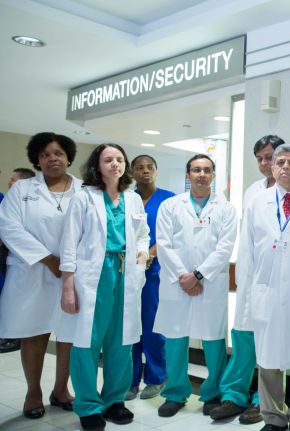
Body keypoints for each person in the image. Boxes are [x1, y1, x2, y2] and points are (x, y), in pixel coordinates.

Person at [59, 143, 149, 431]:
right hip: (94, 276)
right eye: (108, 159)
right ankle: (87, 405)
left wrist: (144, 253)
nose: (115, 164)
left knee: (122, 340)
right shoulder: (84, 197)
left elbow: (143, 232)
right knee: (87, 341)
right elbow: (69, 243)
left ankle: (114, 401)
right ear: (97, 165)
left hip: (126, 273)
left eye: (119, 159)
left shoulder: (133, 199)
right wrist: (68, 286)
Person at [236, 144, 290, 431]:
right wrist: (246, 298)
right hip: (266, 290)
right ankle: (272, 417)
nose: (285, 167)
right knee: (268, 359)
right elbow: (246, 252)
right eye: (280, 162)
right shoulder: (257, 202)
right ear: (272, 168)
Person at [0, 133, 80, 419]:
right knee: (34, 333)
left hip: (72, 274)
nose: (52, 158)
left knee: (69, 334)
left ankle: (61, 389)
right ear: (37, 159)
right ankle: (32, 391)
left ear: (69, 157)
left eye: (58, 153)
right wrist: (49, 259)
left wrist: (68, 263)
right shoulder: (21, 190)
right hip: (32, 272)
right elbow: (9, 228)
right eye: (45, 154)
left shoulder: (84, 191)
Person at [153, 154, 237, 418]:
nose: (201, 174)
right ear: (188, 174)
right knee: (175, 338)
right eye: (196, 170)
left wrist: (198, 275)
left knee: (213, 339)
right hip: (177, 283)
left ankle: (212, 393)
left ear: (213, 175)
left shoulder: (226, 208)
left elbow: (226, 246)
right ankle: (175, 393)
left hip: (209, 283)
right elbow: (163, 244)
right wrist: (184, 276)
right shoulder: (170, 205)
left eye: (207, 170)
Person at [210, 134, 284, 423]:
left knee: (270, 342)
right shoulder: (252, 190)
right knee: (242, 337)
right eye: (261, 158)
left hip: (276, 278)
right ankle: (234, 395)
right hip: (250, 275)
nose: (266, 163)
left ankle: (263, 400)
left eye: (271, 156)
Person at [125, 155, 175, 401]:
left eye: (149, 167)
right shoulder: (127, 198)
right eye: (139, 168)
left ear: (156, 170)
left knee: (152, 326)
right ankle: (130, 380)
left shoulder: (169, 199)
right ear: (132, 172)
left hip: (155, 272)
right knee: (129, 325)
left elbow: (171, 234)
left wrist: (149, 254)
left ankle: (157, 377)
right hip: (128, 271)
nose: (145, 171)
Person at [0, 167, 36, 354]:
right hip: (11, 259)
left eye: (13, 180)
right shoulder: (10, 201)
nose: (9, 183)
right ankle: (10, 335)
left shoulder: (30, 204)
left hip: (29, 262)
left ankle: (15, 338)